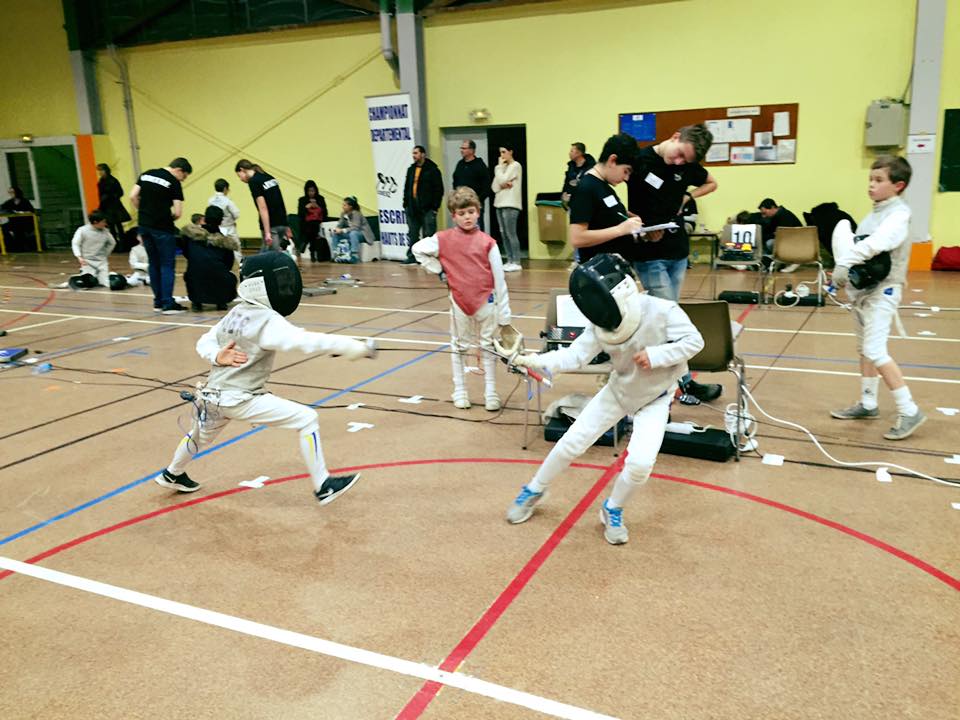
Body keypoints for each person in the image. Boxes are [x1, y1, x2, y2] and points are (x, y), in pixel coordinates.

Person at [508, 254, 704, 545]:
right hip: (619, 391)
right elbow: (575, 356)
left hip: (656, 397)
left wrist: (657, 355)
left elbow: (695, 341)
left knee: (640, 465)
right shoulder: (601, 324)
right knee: (572, 441)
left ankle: (612, 507)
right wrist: (534, 360)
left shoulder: (662, 310)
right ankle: (535, 488)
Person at [154, 252, 377, 499]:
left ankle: (173, 473)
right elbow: (304, 341)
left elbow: (204, 341)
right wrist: (354, 347)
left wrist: (216, 355)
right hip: (241, 399)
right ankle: (323, 485)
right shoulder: (267, 321)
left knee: (198, 435)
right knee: (306, 418)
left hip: (212, 397)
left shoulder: (237, 312)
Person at [829, 155, 925, 440]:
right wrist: (847, 277)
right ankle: (868, 403)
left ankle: (910, 410)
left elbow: (878, 243)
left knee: (875, 350)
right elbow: (861, 253)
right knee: (864, 349)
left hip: (884, 291)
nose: (871, 185)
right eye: (870, 179)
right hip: (864, 293)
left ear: (898, 185)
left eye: (879, 180)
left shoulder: (899, 215)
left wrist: (845, 262)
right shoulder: (872, 215)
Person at [626, 123, 720, 403]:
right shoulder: (641, 161)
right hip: (649, 252)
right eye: (679, 154)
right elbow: (626, 206)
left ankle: (670, 381)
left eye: (685, 160)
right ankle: (683, 383)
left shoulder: (688, 165)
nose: (679, 162)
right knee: (669, 319)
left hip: (677, 251)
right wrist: (639, 225)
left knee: (669, 317)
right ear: (675, 136)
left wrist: (689, 195)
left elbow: (711, 183)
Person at [412, 187, 512, 411]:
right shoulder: (442, 239)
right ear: (453, 215)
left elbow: (500, 280)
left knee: (488, 347)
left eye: (471, 212)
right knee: (459, 347)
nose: (467, 217)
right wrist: (438, 269)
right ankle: (460, 390)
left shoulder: (488, 243)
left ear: (478, 212)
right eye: (461, 213)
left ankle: (491, 392)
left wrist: (505, 316)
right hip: (459, 302)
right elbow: (417, 249)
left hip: (486, 302)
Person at [567, 133, 644, 265]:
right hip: (599, 270)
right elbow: (577, 238)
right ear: (612, 160)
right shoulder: (586, 188)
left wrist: (631, 220)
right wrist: (621, 229)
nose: (626, 178)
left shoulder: (603, 186)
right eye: (626, 171)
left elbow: (603, 214)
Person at [129, 157, 192, 313]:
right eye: (184, 177)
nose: (182, 180)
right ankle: (167, 303)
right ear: (179, 170)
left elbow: (133, 196)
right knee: (167, 265)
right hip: (162, 228)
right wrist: (168, 218)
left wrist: (143, 211)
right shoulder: (173, 182)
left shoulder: (146, 174)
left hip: (144, 226)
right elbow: (178, 212)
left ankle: (157, 301)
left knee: (154, 263)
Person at [180, 205, 240, 312]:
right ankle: (221, 302)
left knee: (192, 273)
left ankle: (196, 302)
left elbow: (187, 254)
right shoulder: (226, 242)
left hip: (195, 279)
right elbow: (228, 265)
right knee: (229, 276)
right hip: (219, 279)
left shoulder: (190, 236)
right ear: (221, 221)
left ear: (204, 218)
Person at [234, 159, 291, 253]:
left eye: (239, 176)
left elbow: (262, 208)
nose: (241, 179)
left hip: (272, 225)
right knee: (268, 254)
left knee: (270, 256)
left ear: (242, 170)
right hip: (282, 223)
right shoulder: (269, 177)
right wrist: (287, 225)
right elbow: (280, 201)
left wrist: (267, 232)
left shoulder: (253, 181)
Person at [402, 145, 443, 264]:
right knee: (413, 234)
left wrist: (435, 207)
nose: (413, 156)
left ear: (423, 154)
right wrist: (406, 203)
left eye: (416, 153)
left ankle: (428, 257)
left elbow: (439, 189)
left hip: (428, 208)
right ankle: (412, 256)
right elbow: (407, 187)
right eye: (413, 153)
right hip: (412, 208)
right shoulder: (411, 169)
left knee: (428, 235)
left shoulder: (432, 170)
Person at [491, 144, 524, 272]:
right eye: (500, 153)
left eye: (504, 152)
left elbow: (502, 179)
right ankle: (509, 260)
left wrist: (499, 170)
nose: (502, 155)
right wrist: (502, 182)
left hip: (510, 204)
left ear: (511, 152)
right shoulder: (501, 168)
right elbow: (495, 187)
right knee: (503, 233)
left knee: (511, 233)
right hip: (499, 203)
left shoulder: (515, 166)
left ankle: (516, 261)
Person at [69, 210, 116, 288]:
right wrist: (79, 257)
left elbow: (112, 243)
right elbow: (75, 243)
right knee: (88, 282)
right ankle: (77, 278)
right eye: (103, 222)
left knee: (105, 283)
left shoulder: (105, 231)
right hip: (87, 261)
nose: (105, 224)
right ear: (95, 222)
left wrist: (105, 254)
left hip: (101, 261)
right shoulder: (82, 230)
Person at [451, 140, 490, 230]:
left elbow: (487, 186)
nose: (461, 150)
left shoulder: (480, 165)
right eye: (461, 148)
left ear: (472, 150)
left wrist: (477, 200)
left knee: (477, 228)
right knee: (461, 229)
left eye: (464, 148)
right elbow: (455, 181)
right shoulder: (460, 164)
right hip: (460, 204)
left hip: (475, 204)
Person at [757, 198, 803, 271]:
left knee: (770, 243)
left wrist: (773, 234)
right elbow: (771, 232)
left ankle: (793, 260)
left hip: (796, 243)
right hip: (790, 242)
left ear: (772, 208)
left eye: (764, 213)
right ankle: (776, 260)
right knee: (766, 240)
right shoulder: (777, 216)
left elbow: (783, 235)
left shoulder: (785, 216)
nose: (763, 216)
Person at [95, 164, 131, 248]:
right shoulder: (102, 181)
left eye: (101, 170)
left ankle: (121, 245)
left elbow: (120, 192)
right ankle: (116, 245)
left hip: (113, 206)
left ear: (106, 170)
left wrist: (110, 196)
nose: (100, 172)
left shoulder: (112, 181)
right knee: (112, 226)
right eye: (99, 171)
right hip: (107, 206)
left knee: (117, 225)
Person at [330, 196, 374, 264]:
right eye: (343, 205)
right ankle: (336, 255)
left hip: (363, 234)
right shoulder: (343, 214)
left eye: (344, 205)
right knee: (335, 234)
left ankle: (354, 256)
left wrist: (342, 230)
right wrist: (336, 229)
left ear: (350, 206)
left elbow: (355, 227)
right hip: (351, 233)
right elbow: (339, 225)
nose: (342, 207)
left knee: (353, 233)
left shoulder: (356, 213)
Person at [207, 178, 241, 265]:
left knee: (217, 247)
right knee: (236, 247)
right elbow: (236, 214)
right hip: (229, 227)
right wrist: (232, 220)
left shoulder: (210, 200)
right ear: (225, 188)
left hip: (216, 227)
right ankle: (242, 266)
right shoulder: (228, 201)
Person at [298, 180, 329, 262]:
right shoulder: (302, 200)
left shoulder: (320, 199)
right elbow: (300, 214)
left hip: (318, 221)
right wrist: (306, 207)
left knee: (312, 227)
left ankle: (305, 243)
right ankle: (312, 252)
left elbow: (325, 213)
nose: (311, 193)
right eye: (309, 191)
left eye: (313, 191)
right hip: (307, 223)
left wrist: (317, 206)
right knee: (312, 229)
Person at [0, 186, 36, 252]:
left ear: (17, 192)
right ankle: (10, 246)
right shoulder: (10, 202)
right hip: (13, 222)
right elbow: (2, 207)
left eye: (12, 192)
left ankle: (21, 247)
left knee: (18, 229)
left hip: (25, 223)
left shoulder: (24, 201)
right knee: (3, 228)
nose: (11, 194)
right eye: (9, 192)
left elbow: (31, 211)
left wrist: (22, 212)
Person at [561, 142, 596, 206]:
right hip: (572, 203)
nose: (569, 153)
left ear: (579, 153)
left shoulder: (591, 167)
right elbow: (567, 183)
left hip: (587, 202)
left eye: (572, 151)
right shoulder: (571, 167)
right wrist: (563, 194)